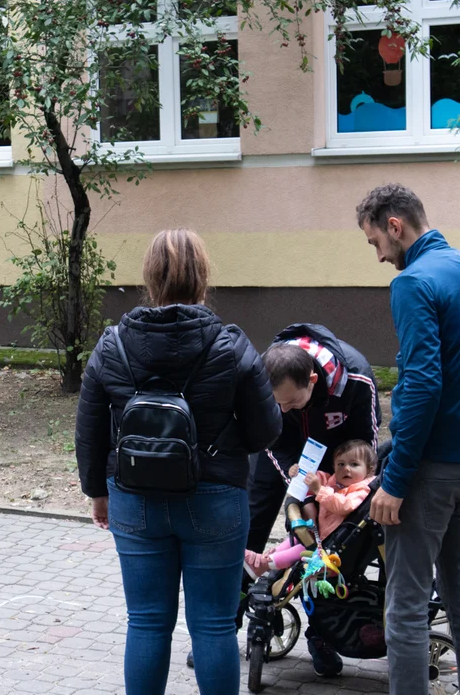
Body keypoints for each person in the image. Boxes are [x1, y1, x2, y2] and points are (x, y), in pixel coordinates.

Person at [75, 229, 282, 695]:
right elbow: (267, 429)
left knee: (146, 622)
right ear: (202, 277)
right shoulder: (230, 344)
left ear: (149, 278)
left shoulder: (112, 345)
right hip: (216, 500)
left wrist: (97, 492)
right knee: (212, 625)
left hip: (134, 500)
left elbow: (88, 428)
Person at [356, 183, 460, 695]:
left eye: (375, 242)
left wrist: (396, 480)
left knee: (403, 606)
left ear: (395, 227)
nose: (380, 256)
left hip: (427, 472)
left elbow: (422, 383)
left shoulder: (413, 283)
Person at [237, 323, 380, 676]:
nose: (284, 409)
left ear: (313, 381)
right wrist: (291, 472)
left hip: (335, 460)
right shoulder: (264, 380)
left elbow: (367, 444)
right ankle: (225, 627)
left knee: (327, 545)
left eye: (291, 401)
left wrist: (335, 486)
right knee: (250, 529)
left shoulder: (356, 379)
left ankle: (324, 634)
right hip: (286, 456)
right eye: (277, 403)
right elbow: (270, 435)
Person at [243, 439, 375, 578]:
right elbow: (319, 477)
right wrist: (299, 472)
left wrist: (319, 490)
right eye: (341, 464)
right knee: (293, 539)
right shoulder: (335, 481)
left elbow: (344, 505)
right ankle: (264, 560)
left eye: (354, 464)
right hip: (319, 534)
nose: (346, 469)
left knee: (303, 547)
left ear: (369, 470)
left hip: (330, 544)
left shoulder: (362, 490)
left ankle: (265, 564)